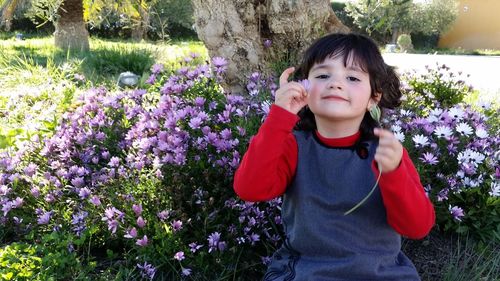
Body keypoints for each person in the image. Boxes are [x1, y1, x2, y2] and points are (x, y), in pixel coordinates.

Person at [233, 33, 435, 280]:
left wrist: (393, 173)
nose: (335, 83)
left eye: (352, 77)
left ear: (375, 96)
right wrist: (279, 117)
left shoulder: (386, 151)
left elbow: (417, 227)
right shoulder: (292, 145)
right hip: (306, 269)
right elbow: (250, 189)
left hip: (380, 272)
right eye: (322, 75)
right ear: (304, 87)